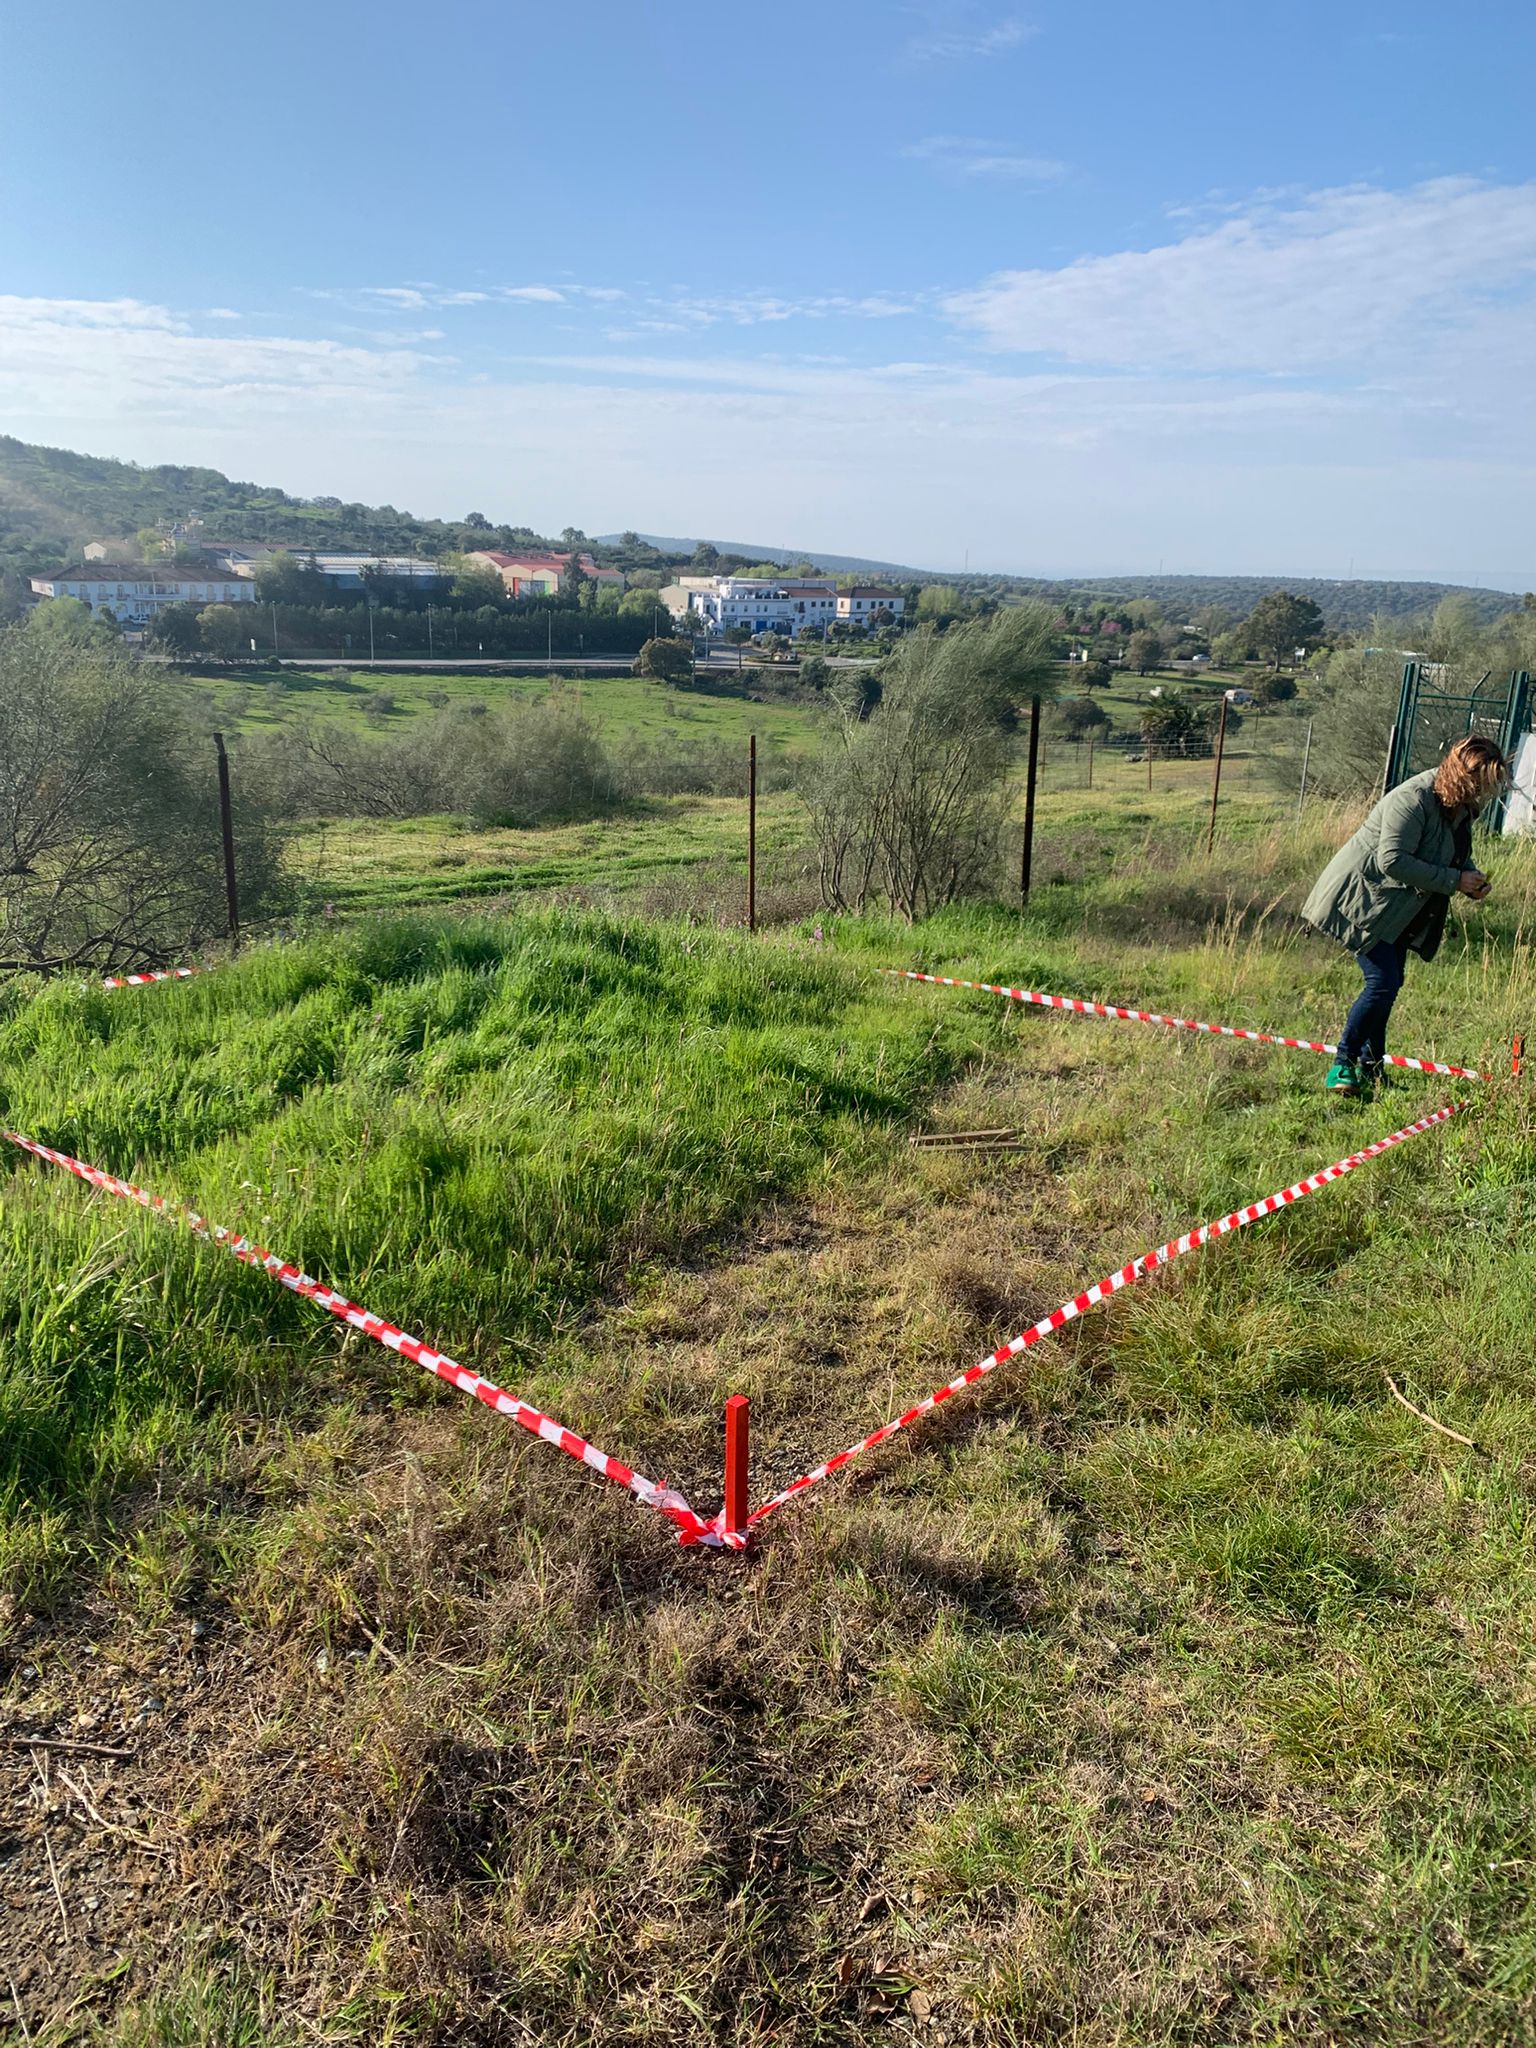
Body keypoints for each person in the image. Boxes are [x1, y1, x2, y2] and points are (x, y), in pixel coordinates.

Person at [1301, 735, 1508, 1096]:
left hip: (1393, 908)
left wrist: (1470, 877)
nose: (1483, 792)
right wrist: (1453, 880)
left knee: (1389, 984)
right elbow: (1392, 860)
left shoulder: (1458, 804)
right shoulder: (1412, 799)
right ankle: (1342, 1065)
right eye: (1480, 783)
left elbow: (1452, 851)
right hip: (1359, 901)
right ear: (1464, 775)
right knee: (1382, 982)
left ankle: (1372, 1070)